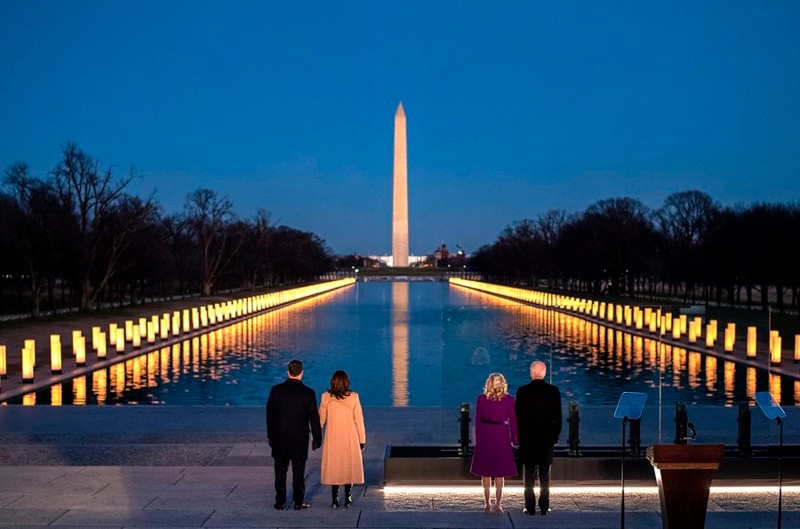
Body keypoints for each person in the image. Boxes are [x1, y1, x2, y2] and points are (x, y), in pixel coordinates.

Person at [266, 359, 322, 511]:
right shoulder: (308, 393)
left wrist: (270, 436)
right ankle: (298, 502)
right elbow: (313, 418)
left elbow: (269, 415)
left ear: (288, 372)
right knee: (299, 472)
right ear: (302, 373)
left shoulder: (276, 390)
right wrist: (317, 439)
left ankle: (280, 502)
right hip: (299, 439)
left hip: (279, 438)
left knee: (280, 472)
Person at [515, 360, 562, 516]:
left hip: (527, 440)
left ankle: (530, 507)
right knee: (545, 476)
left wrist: (518, 437)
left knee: (528, 476)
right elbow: (558, 418)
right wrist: (554, 437)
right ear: (544, 373)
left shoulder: (522, 391)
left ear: (531, 373)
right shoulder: (554, 391)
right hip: (546, 440)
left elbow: (518, 417)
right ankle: (544, 506)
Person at [470, 372, 518, 514]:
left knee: (487, 472)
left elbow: (478, 421)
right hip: (501, 435)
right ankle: (498, 504)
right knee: (499, 472)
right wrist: (514, 438)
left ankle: (487, 504)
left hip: (486, 434)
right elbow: (513, 422)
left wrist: (478, 439)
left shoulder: (481, 399)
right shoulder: (509, 400)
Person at [319, 370, 366, 508]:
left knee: (335, 467)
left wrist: (314, 435)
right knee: (348, 467)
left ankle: (334, 499)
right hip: (349, 438)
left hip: (333, 438)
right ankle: (348, 498)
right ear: (346, 382)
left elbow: (320, 419)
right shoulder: (354, 397)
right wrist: (362, 440)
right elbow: (359, 421)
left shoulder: (325, 397)